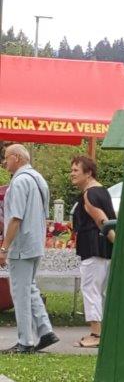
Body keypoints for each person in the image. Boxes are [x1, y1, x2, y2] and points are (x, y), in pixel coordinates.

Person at [0, 144, 58, 354]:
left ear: (16, 157)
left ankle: (25, 341)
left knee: (20, 293)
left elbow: (15, 218)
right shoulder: (38, 178)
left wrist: (4, 248)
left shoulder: (19, 182)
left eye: (6, 157)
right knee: (30, 288)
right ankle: (45, 331)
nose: (4, 162)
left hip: (22, 244)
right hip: (35, 241)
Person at [71, 155, 116, 348]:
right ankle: (102, 332)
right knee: (100, 291)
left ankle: (96, 334)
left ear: (88, 173)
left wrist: (116, 243)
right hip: (103, 249)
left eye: (76, 170)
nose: (72, 174)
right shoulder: (103, 191)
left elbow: (102, 221)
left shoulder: (89, 194)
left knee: (91, 290)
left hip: (93, 247)